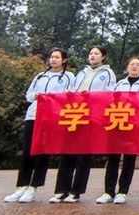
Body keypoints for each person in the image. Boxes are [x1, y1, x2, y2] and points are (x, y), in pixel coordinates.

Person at [5, 48, 75, 204]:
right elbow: (29, 95)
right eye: (52, 57)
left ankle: (33, 187)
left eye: (57, 57)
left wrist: (52, 99)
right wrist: (36, 96)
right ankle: (21, 186)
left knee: (42, 152)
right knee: (27, 151)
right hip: (33, 116)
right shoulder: (40, 76)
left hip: (51, 117)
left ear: (64, 60)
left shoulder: (68, 77)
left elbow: (69, 95)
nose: (53, 60)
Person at [50, 46, 116, 203]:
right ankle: (61, 189)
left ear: (103, 57)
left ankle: (76, 191)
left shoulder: (108, 73)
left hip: (92, 116)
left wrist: (92, 97)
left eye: (96, 54)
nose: (92, 56)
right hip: (74, 114)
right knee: (66, 153)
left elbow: (109, 93)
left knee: (83, 155)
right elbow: (72, 89)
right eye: (91, 53)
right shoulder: (81, 73)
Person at [95, 56, 139, 205]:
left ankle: (122, 191)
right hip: (117, 124)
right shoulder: (119, 84)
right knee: (113, 158)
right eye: (132, 64)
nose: (134, 67)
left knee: (129, 160)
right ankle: (108, 191)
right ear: (127, 67)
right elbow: (109, 101)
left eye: (137, 65)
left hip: (134, 126)